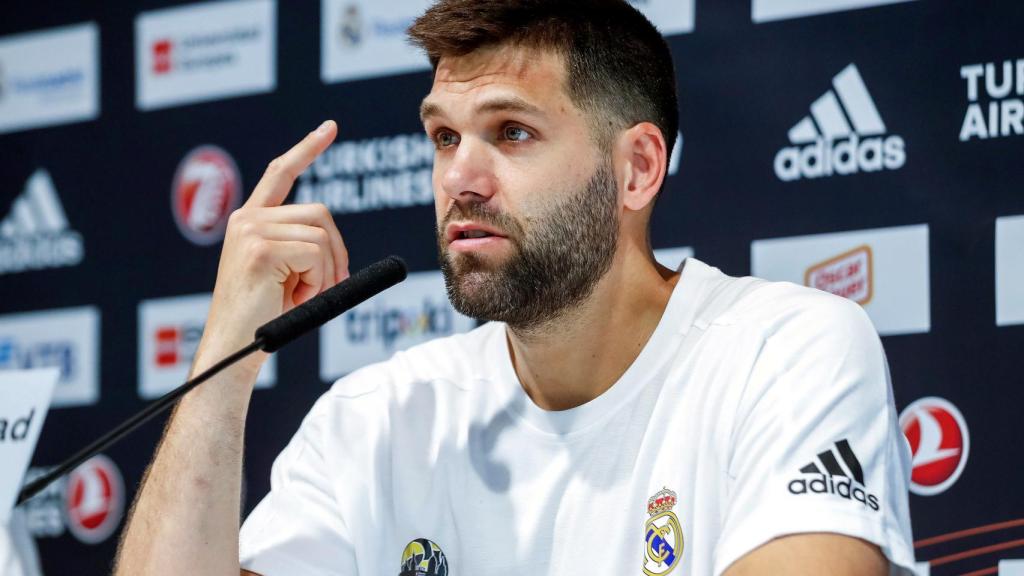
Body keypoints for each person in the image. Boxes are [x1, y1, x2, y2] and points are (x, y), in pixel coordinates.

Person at [114, 1, 916, 574]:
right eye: (443, 136)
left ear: (636, 168)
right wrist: (225, 361)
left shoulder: (782, 352)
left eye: (513, 132)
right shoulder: (378, 418)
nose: (459, 177)